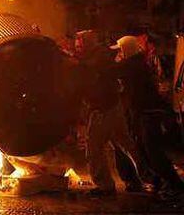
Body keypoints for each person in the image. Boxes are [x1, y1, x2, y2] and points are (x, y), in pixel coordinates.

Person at [110, 36, 184, 200]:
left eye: (120, 51)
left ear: (126, 50)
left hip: (149, 113)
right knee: (145, 149)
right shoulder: (136, 63)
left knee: (153, 151)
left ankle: (176, 185)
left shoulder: (133, 64)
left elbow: (112, 70)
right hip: (144, 113)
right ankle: (161, 183)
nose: (119, 54)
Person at [75, 31, 143, 196]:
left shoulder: (97, 58)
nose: (77, 46)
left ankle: (105, 185)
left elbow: (92, 74)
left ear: (87, 43)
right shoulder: (96, 56)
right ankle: (150, 176)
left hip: (103, 108)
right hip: (110, 106)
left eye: (80, 43)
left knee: (94, 149)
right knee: (126, 145)